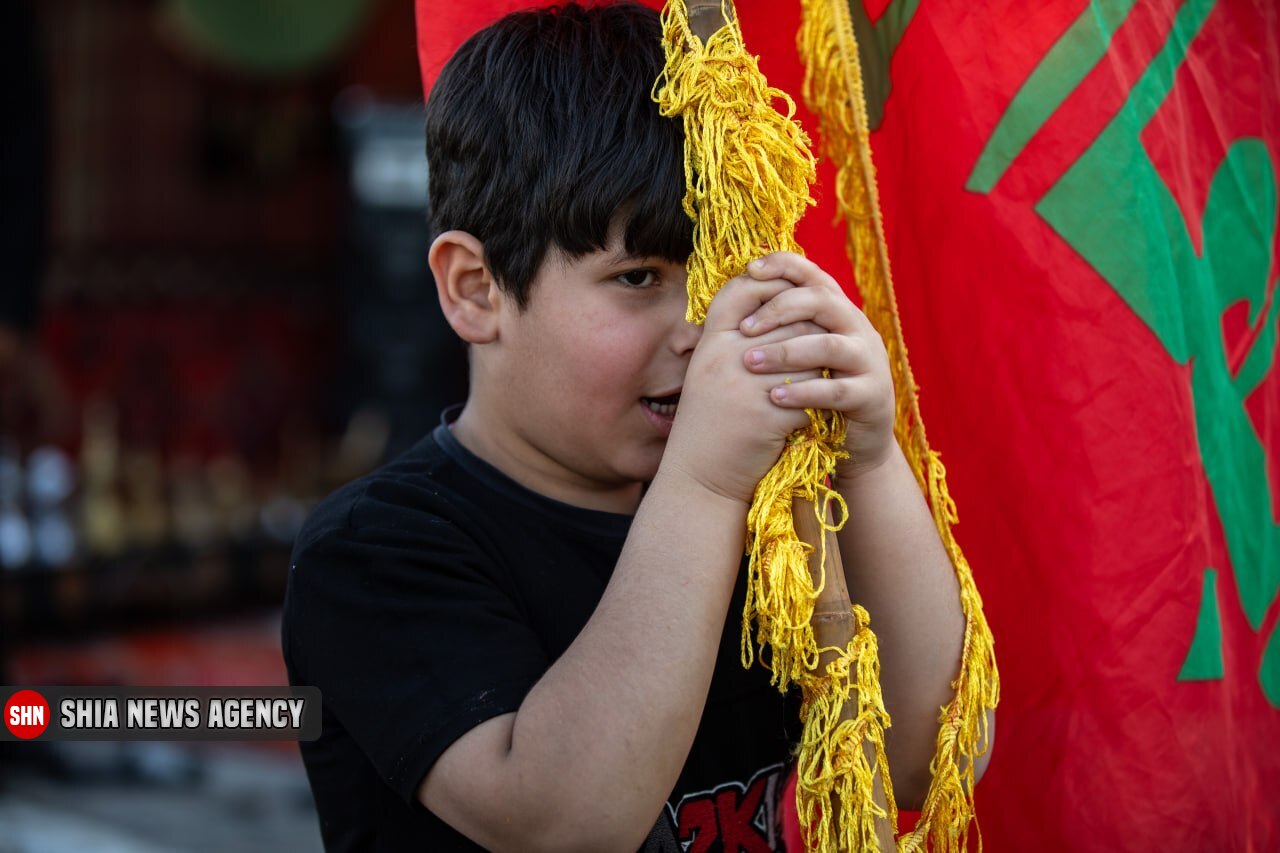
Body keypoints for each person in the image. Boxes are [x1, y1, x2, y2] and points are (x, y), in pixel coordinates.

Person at [282, 3, 988, 850]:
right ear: (476, 288)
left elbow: (935, 753)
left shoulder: (772, 516)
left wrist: (869, 459)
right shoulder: (374, 552)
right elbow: (565, 824)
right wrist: (703, 483)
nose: (702, 329)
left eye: (715, 272)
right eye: (638, 276)